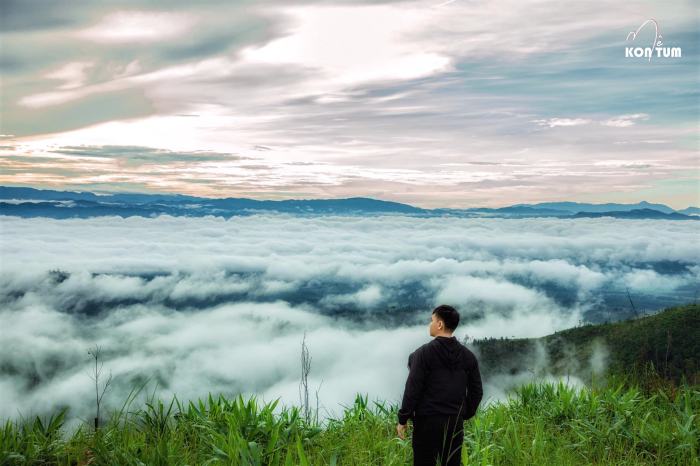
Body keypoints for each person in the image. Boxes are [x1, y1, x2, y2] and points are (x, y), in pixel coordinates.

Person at [396, 304, 483, 466]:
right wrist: (463, 414)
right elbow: (477, 391)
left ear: (440, 324)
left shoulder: (422, 354)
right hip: (454, 422)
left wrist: (403, 418)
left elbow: (412, 389)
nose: (430, 324)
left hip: (426, 422)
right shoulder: (468, 356)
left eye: (432, 320)